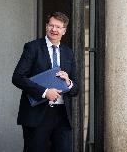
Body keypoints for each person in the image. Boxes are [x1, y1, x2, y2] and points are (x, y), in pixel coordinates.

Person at [12, 12, 78, 152]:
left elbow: (76, 88)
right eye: (51, 25)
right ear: (46, 26)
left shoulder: (68, 52)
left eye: (58, 27)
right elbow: (18, 77)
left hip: (62, 116)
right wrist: (45, 92)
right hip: (37, 115)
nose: (54, 29)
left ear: (64, 31)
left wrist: (68, 82)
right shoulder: (32, 48)